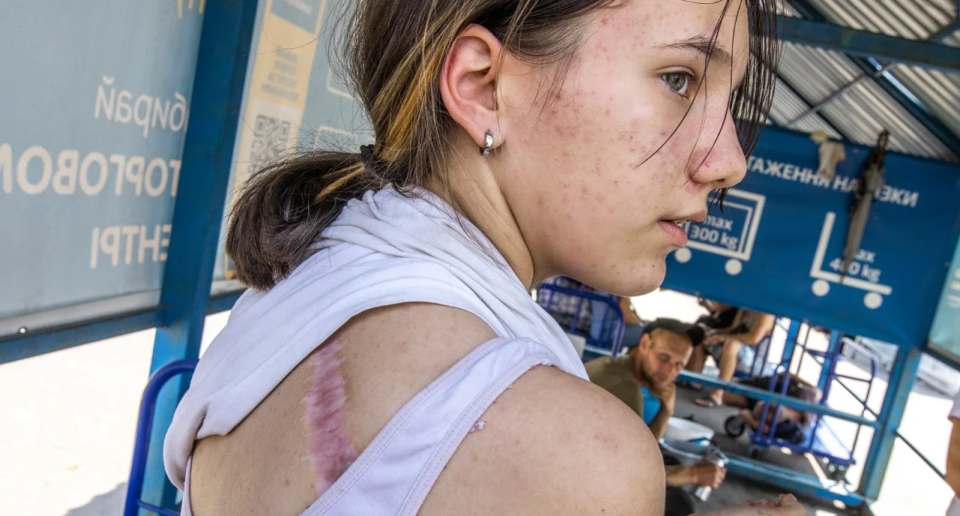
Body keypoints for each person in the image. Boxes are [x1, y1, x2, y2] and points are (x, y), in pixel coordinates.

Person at [163, 1, 803, 515]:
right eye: (679, 79)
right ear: (482, 86)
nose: (728, 163)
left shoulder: (296, 285)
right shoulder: (579, 456)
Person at [586, 320, 726, 515]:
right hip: (581, 480)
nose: (670, 371)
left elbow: (647, 446)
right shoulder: (625, 388)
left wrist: (665, 411)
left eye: (679, 364)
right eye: (664, 358)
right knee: (678, 505)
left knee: (671, 464)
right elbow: (632, 474)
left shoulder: (621, 368)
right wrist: (691, 474)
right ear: (644, 344)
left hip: (596, 462)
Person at [689, 308, 776, 407]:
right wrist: (714, 333)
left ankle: (718, 393)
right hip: (734, 347)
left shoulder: (766, 312)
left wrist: (722, 338)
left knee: (731, 344)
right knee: (701, 332)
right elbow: (733, 329)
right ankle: (694, 379)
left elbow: (754, 338)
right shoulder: (745, 305)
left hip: (753, 359)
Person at [722, 373, 821, 444]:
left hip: (756, 397)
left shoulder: (790, 427)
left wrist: (746, 416)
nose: (767, 409)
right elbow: (818, 392)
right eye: (769, 409)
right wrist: (791, 375)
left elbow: (763, 428)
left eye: (767, 412)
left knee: (726, 396)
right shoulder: (803, 397)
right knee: (726, 393)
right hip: (768, 389)